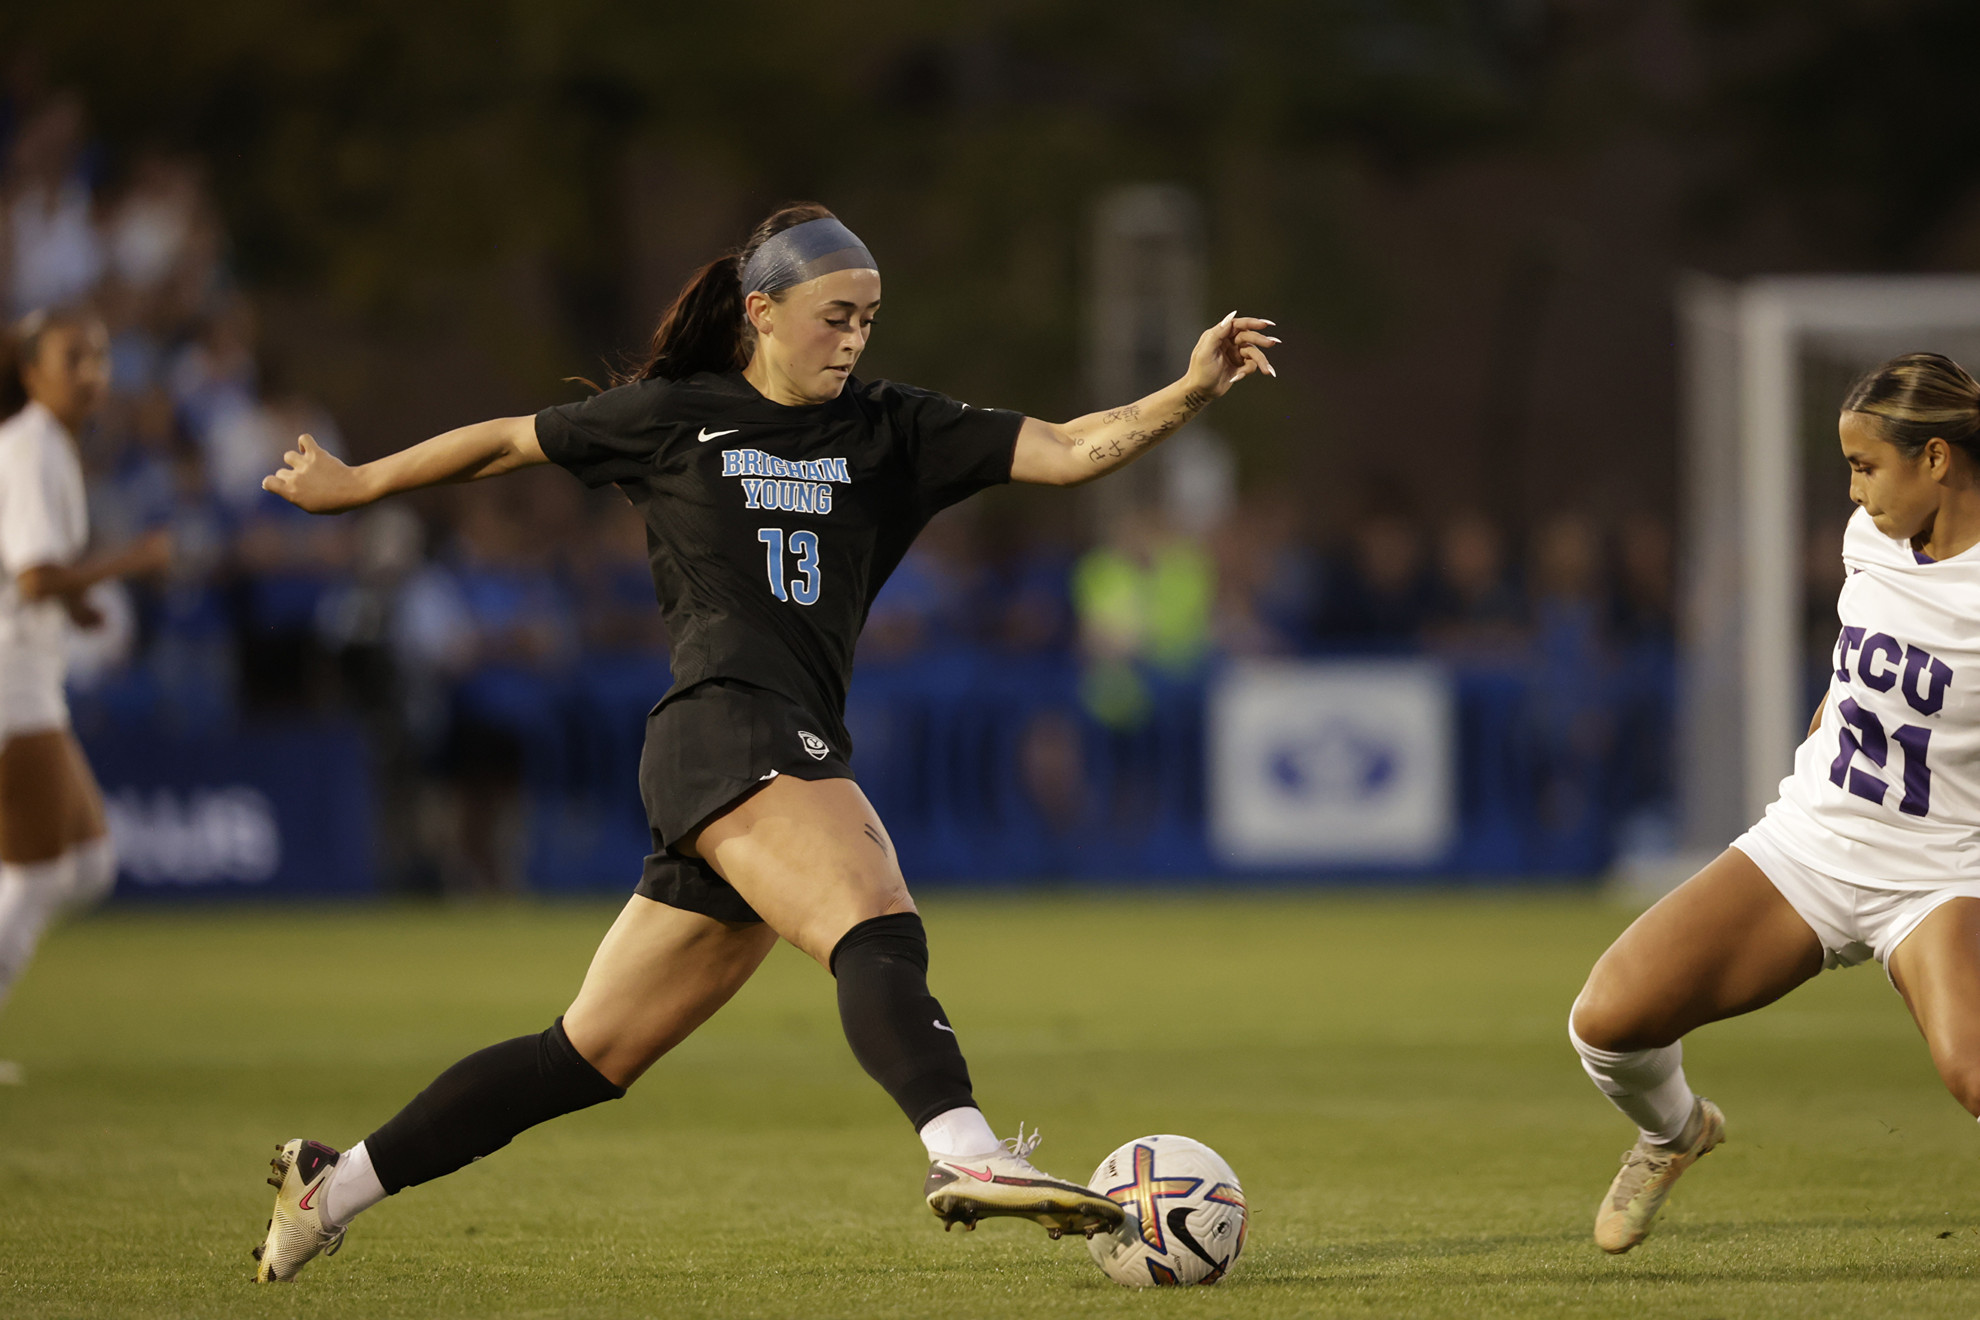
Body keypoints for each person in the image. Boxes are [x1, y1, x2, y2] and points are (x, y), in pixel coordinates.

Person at [249, 203, 1277, 1282]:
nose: (855, 339)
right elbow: (509, 440)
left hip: (764, 749)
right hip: (726, 725)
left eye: (870, 321)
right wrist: (357, 485)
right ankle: (964, 1153)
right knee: (873, 910)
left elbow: (1069, 450)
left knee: (586, 1056)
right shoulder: (676, 417)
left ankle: (335, 1185)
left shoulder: (892, 428)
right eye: (836, 317)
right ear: (762, 311)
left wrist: (1190, 390)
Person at [1569, 352, 1980, 1253]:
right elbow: (1862, 656)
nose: (1855, 488)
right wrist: (1828, 724)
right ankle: (1675, 1133)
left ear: (1938, 460)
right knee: (1606, 1023)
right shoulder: (1871, 537)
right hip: (1812, 841)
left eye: (1868, 465)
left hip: (1940, 872)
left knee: (1971, 1070)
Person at [0, 308, 170, 1081]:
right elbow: (33, 575)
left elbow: (31, 575)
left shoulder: (48, 448)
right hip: (13, 680)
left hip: (30, 675)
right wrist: (125, 564)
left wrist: (77, 603)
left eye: (100, 356)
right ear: (31, 371)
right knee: (43, 871)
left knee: (88, 863)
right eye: (75, 357)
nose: (93, 371)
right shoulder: (33, 446)